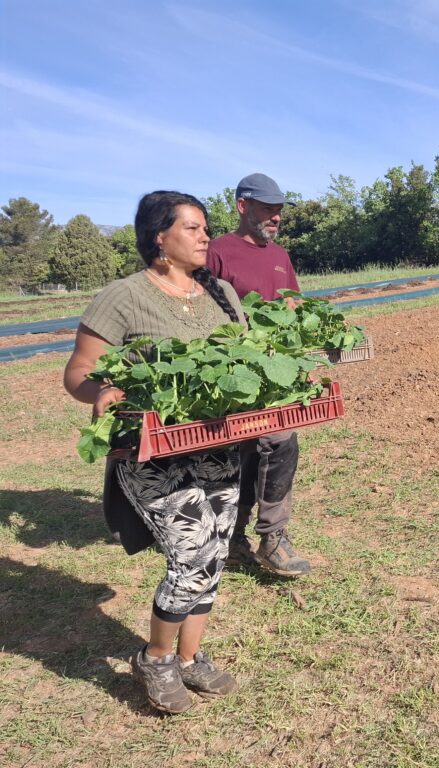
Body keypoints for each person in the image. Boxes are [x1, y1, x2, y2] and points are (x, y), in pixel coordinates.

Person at [64, 191, 247, 714]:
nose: (205, 236)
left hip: (216, 447)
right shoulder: (122, 297)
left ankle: (191, 659)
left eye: (205, 227)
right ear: (158, 238)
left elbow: (247, 363)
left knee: (214, 552)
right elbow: (78, 373)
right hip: (151, 451)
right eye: (192, 228)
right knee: (190, 555)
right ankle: (157, 658)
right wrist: (101, 392)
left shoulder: (223, 295)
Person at [207, 173, 311, 578]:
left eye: (279, 210)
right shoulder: (217, 252)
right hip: (232, 373)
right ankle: (234, 539)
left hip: (275, 374)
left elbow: (293, 308)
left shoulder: (280, 256)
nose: (276, 217)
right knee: (243, 453)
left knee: (280, 442)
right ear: (242, 206)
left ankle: (272, 537)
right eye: (268, 209)